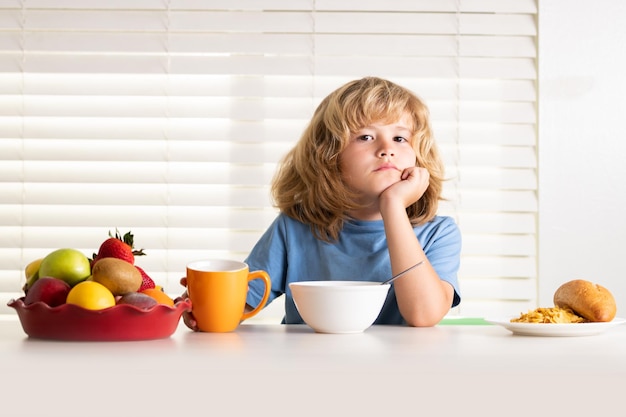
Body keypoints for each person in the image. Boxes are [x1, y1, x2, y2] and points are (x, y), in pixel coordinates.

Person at [181, 76, 461, 329]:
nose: (387, 149)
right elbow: (238, 305)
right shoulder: (294, 228)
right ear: (328, 155)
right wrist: (204, 306)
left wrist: (392, 206)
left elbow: (423, 315)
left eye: (400, 138)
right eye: (365, 136)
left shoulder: (438, 233)